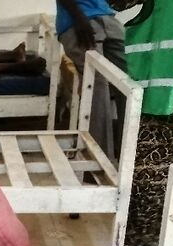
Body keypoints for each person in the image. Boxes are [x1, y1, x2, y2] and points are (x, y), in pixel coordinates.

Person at [57, 0, 126, 158]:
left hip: (108, 17)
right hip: (77, 21)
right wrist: (78, 18)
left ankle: (130, 155)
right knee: (97, 86)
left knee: (131, 81)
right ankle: (99, 161)